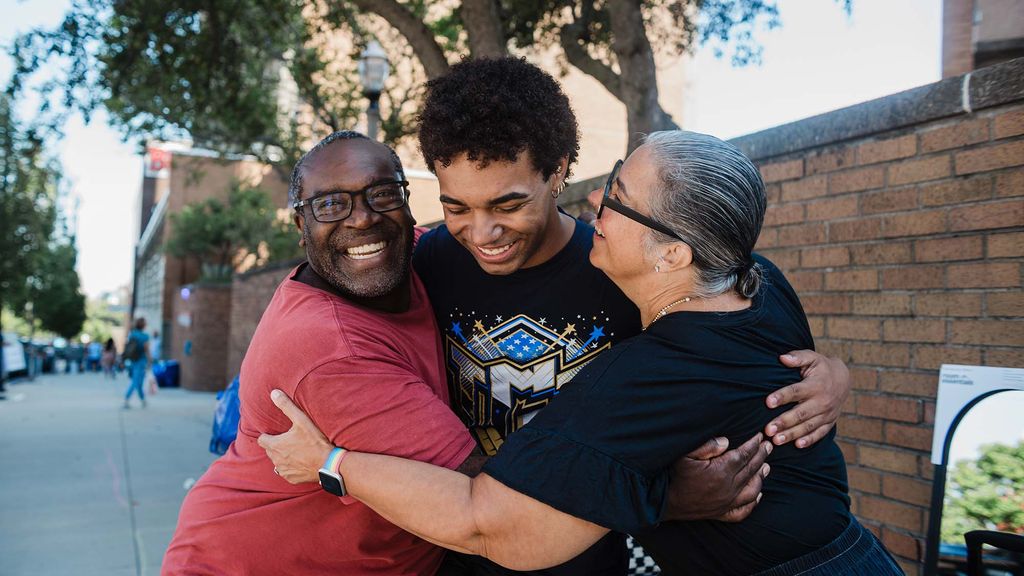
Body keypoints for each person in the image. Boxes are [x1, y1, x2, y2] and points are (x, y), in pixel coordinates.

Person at [261, 131, 903, 575]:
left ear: (674, 253)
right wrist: (833, 373)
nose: (598, 203)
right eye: (612, 181)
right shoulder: (759, 283)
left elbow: (486, 523)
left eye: (620, 200)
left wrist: (332, 462)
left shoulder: (640, 379)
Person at [162, 132, 768, 575]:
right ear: (299, 224)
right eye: (330, 204)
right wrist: (668, 498)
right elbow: (493, 508)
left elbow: (724, 263)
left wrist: (811, 365)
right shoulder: (333, 350)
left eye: (382, 194)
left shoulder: (419, 256)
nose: (362, 220)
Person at [406, 57, 850, 574]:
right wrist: (668, 497)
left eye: (508, 205)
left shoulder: (623, 270)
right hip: (458, 549)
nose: (482, 233)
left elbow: (732, 322)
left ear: (557, 172)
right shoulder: (429, 265)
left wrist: (829, 376)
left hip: (591, 559)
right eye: (457, 208)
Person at [123, 318, 151, 408]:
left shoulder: (133, 334)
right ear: (143, 325)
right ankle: (126, 399)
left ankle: (143, 400)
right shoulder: (145, 336)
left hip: (132, 361)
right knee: (136, 382)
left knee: (139, 382)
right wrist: (150, 360)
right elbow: (147, 349)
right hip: (141, 361)